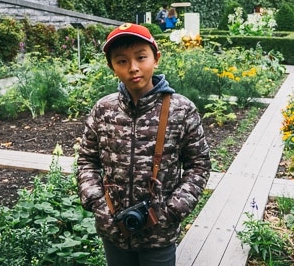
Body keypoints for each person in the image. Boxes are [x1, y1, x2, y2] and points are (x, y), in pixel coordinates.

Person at [76, 23, 211, 266]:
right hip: (114, 229)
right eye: (122, 61)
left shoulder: (181, 110)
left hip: (158, 234)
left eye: (141, 57)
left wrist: (171, 211)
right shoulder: (103, 110)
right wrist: (98, 204)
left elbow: (199, 165)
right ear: (112, 66)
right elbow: (86, 161)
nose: (133, 68)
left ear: (156, 58)